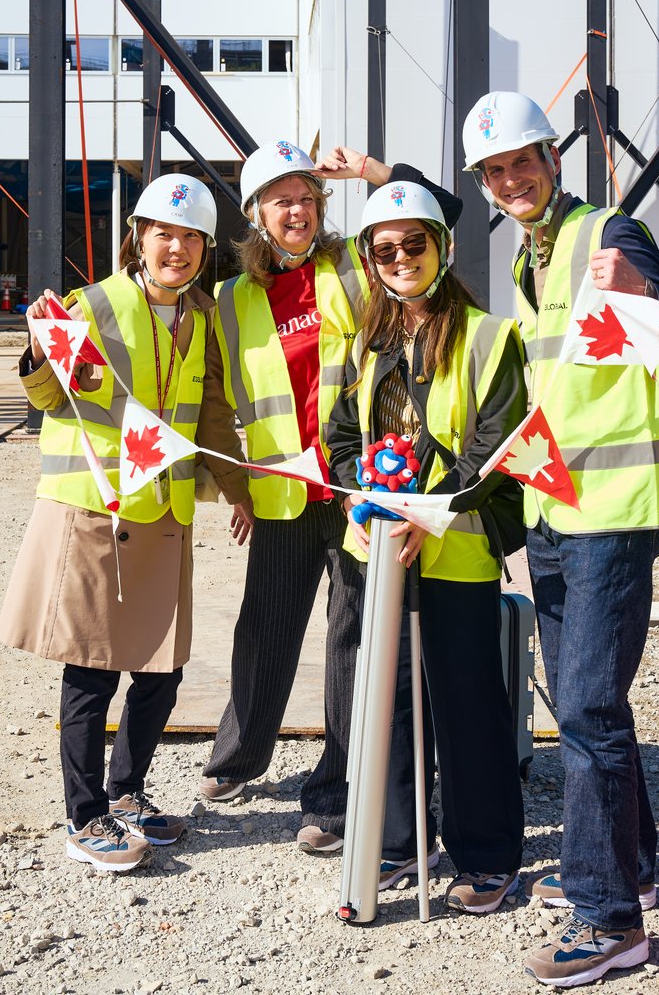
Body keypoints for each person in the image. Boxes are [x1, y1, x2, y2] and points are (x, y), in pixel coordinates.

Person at [462, 91, 659, 984]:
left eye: (522, 161)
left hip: (612, 512)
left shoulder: (612, 233)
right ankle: (632, 868)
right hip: (554, 512)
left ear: (553, 158)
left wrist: (647, 292)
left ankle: (608, 919)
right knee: (593, 704)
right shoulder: (529, 256)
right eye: (495, 171)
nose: (511, 180)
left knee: (585, 711)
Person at [199, 140, 460, 857]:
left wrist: (376, 172)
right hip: (283, 490)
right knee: (265, 627)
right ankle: (239, 756)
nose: (298, 211)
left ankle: (336, 796)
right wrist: (235, 488)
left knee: (351, 637)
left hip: (359, 487)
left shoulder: (353, 265)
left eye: (308, 198)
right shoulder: (231, 298)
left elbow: (439, 215)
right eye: (282, 200)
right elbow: (217, 401)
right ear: (256, 215)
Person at [0, 174, 252, 873]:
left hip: (163, 512)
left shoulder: (201, 316)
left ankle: (127, 792)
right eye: (164, 234)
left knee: (162, 668)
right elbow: (51, 398)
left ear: (205, 248)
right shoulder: (92, 304)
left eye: (191, 237)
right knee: (92, 671)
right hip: (95, 509)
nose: (177, 248)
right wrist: (38, 350)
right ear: (139, 237)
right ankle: (84, 818)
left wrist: (237, 492)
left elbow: (208, 412)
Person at [327, 178, 527, 914]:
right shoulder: (363, 344)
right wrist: (364, 504)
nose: (401, 259)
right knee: (389, 703)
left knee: (466, 703)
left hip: (455, 547)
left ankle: (487, 852)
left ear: (441, 247)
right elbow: (340, 439)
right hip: (378, 552)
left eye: (415, 243)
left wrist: (428, 513)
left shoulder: (489, 337)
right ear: (369, 260)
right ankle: (399, 840)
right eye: (385, 250)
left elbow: (495, 446)